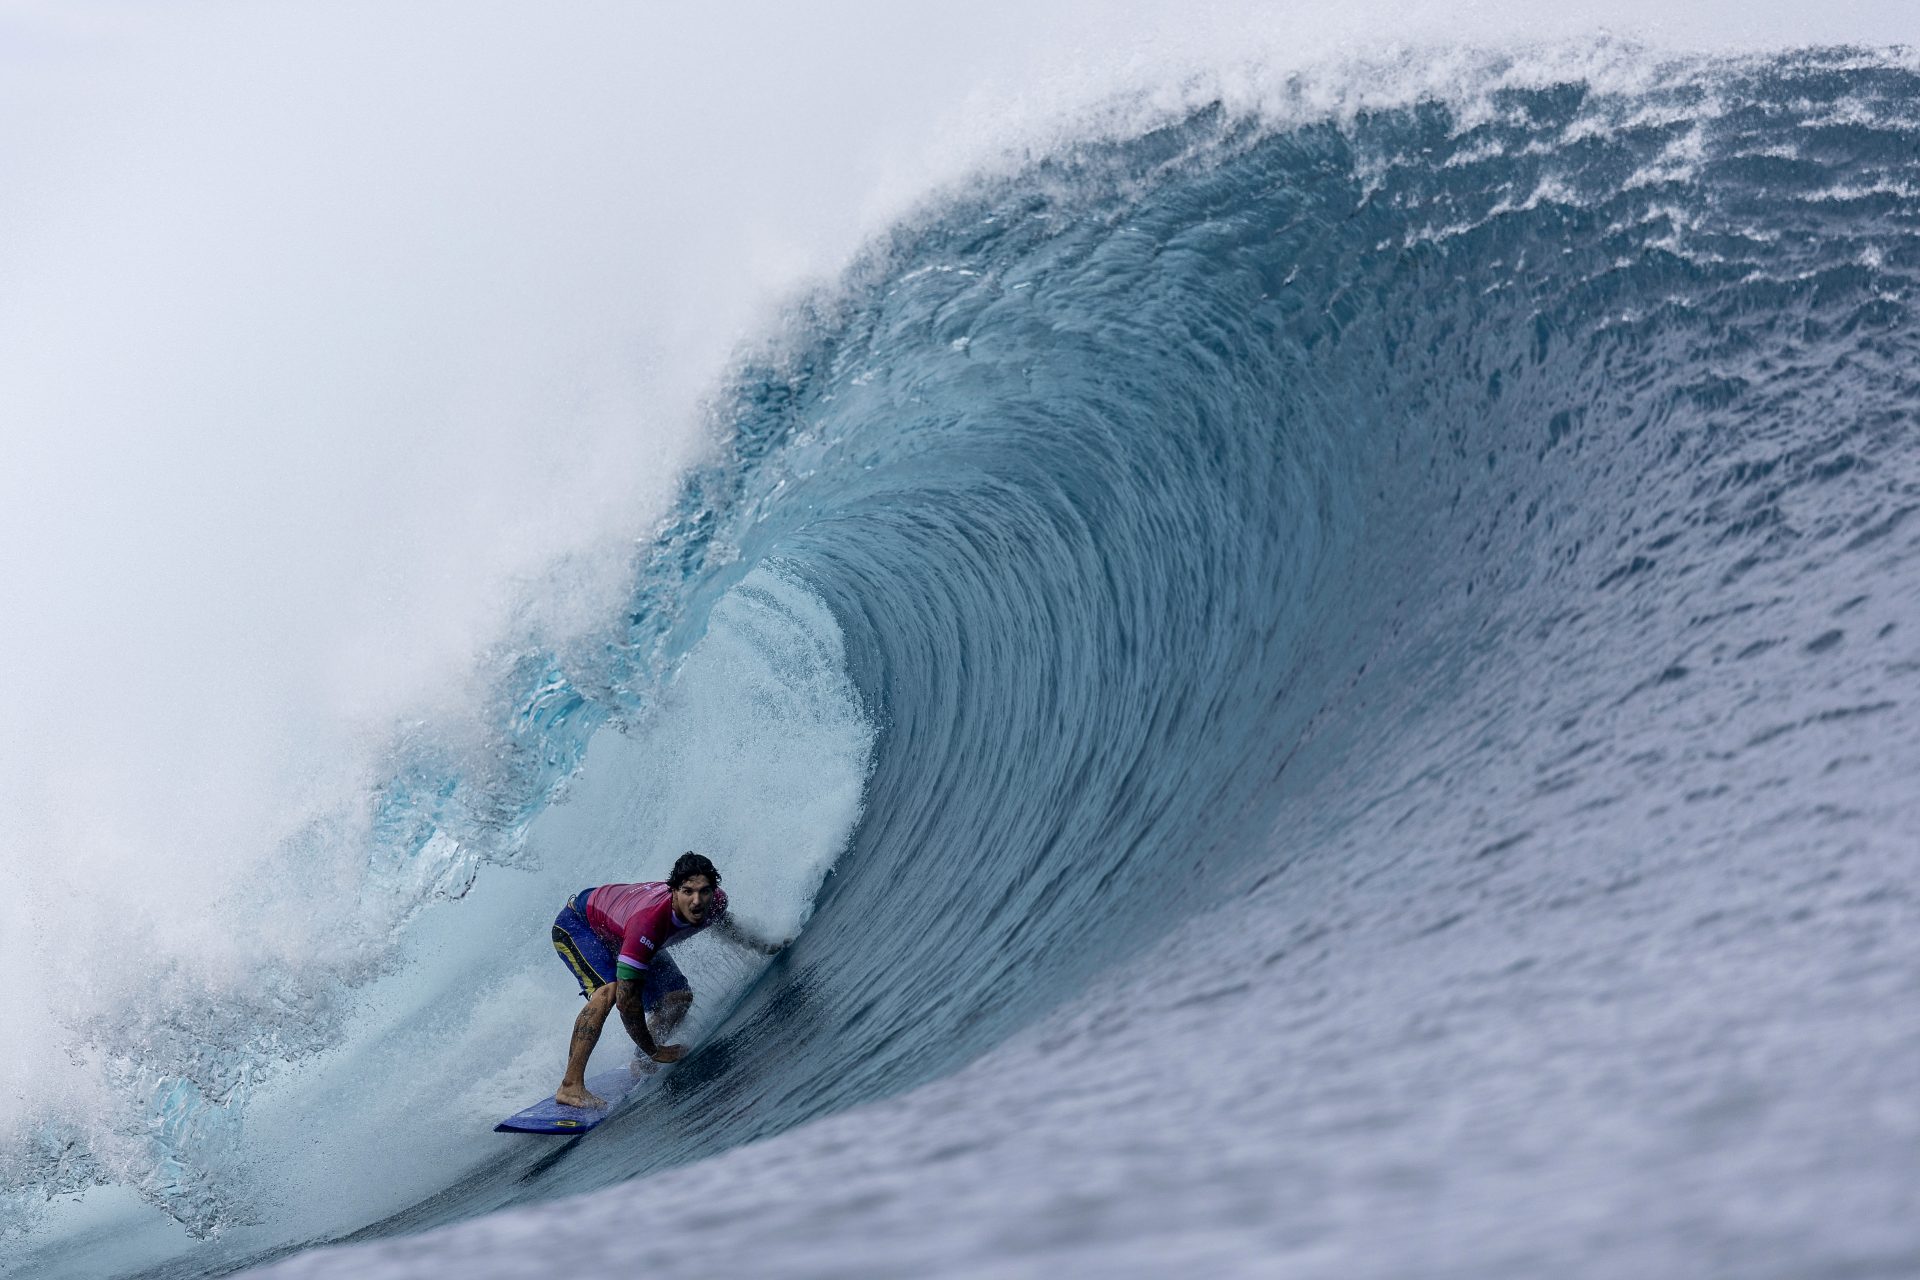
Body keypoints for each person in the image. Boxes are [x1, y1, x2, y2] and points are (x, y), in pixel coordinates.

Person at [550, 851, 784, 1108]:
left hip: (622, 931)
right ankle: (570, 1086)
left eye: (704, 891)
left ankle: (641, 1064)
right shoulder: (648, 925)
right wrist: (655, 1049)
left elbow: (725, 926)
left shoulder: (714, 903)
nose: (697, 901)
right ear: (673, 890)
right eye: (687, 892)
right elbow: (627, 1004)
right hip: (581, 925)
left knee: (677, 999)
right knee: (609, 991)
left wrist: (762, 945)